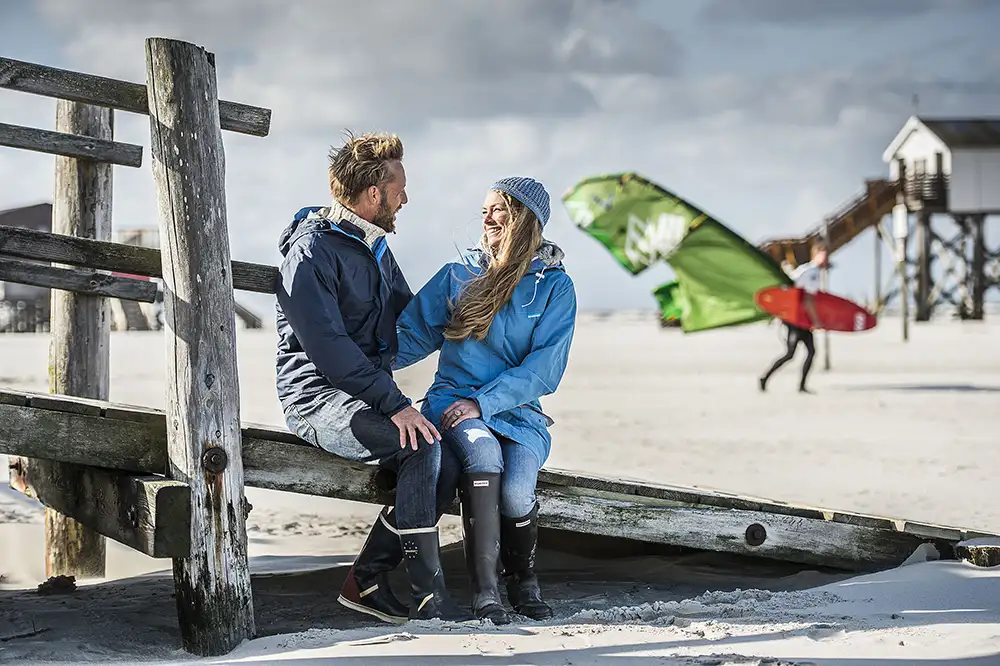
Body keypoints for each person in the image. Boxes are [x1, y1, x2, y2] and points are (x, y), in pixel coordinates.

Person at [274, 131, 469, 623]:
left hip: (366, 395)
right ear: (374, 194)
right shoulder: (311, 251)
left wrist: (475, 317)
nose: (406, 197)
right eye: (399, 186)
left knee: (445, 458)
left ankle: (366, 579)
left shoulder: (374, 247)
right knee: (421, 445)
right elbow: (330, 350)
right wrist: (395, 404)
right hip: (317, 398)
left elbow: (410, 320)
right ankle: (430, 597)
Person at [392, 176, 578, 624]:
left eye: (498, 209)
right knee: (483, 451)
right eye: (485, 210)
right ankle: (486, 590)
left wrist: (487, 402)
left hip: (518, 412)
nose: (487, 217)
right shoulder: (459, 275)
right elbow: (409, 336)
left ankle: (524, 580)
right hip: (454, 402)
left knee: (517, 491)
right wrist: (353, 366)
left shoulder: (554, 287)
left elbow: (544, 370)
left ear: (524, 219)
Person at [759, 244, 829, 393]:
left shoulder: (805, 270)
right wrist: (815, 320)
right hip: (796, 320)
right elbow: (808, 300)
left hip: (798, 319)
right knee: (792, 353)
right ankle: (766, 378)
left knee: (808, 352)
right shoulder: (811, 272)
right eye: (823, 254)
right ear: (815, 254)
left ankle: (800, 385)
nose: (826, 258)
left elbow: (789, 287)